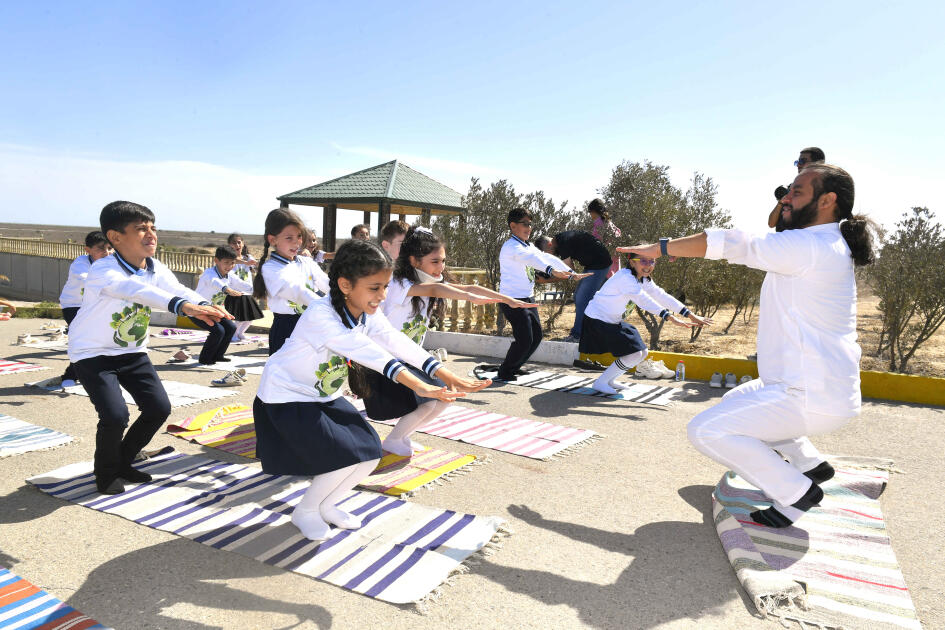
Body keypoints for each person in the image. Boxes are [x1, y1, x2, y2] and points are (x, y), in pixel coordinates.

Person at [621, 164, 876, 528]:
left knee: (706, 430)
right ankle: (810, 465)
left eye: (797, 191)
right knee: (734, 402)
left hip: (809, 394)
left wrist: (658, 249)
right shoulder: (825, 243)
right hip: (815, 386)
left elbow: (732, 242)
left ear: (828, 201)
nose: (786, 198)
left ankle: (796, 493)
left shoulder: (811, 246)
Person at [254, 239, 491, 541]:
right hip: (286, 398)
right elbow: (371, 353)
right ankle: (306, 511)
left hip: (321, 396)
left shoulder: (367, 311)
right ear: (345, 284)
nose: (382, 296)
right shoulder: (321, 315)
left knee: (368, 453)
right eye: (375, 287)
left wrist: (443, 373)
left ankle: (326, 506)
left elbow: (394, 340)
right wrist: (422, 386)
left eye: (386, 287)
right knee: (342, 456)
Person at [68, 201, 231, 494]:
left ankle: (123, 462)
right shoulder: (104, 270)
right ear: (115, 237)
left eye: (153, 228)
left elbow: (178, 289)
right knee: (115, 415)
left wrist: (204, 305)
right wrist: (183, 307)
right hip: (92, 353)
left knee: (158, 408)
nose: (151, 235)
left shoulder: (155, 267)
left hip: (131, 351)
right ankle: (105, 475)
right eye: (141, 229)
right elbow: (137, 291)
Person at [359, 226, 534, 455]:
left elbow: (469, 286)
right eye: (434, 261)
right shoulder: (398, 284)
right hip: (384, 361)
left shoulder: (426, 282)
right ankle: (393, 440)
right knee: (430, 400)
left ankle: (402, 436)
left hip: (411, 358)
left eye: (443, 261)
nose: (441, 267)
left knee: (445, 398)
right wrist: (470, 298)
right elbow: (435, 288)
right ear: (414, 260)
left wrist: (508, 300)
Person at [579, 253, 709, 393]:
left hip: (612, 321)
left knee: (642, 353)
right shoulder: (625, 278)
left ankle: (610, 380)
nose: (648, 265)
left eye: (652, 261)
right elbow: (643, 299)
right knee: (634, 354)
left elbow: (661, 296)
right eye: (643, 261)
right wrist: (670, 317)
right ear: (632, 262)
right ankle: (601, 382)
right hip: (598, 321)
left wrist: (690, 314)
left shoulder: (643, 280)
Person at [496, 208, 589, 382]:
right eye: (525, 224)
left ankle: (515, 366)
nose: (529, 228)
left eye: (530, 224)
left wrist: (570, 272)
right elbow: (535, 261)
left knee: (536, 337)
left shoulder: (528, 245)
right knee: (525, 339)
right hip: (512, 299)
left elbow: (546, 258)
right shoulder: (511, 247)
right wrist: (550, 270)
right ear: (513, 226)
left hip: (527, 297)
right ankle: (505, 372)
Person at [253, 209, 330, 354]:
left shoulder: (307, 262)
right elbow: (297, 291)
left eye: (299, 236)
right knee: (282, 373)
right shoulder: (270, 269)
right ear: (272, 240)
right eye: (289, 238)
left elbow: (327, 284)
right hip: (286, 327)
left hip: (310, 325)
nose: (296, 243)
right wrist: (329, 307)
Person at [536, 230, 613, 342]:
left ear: (549, 245)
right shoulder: (562, 239)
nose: (549, 256)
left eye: (547, 253)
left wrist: (547, 281)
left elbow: (570, 274)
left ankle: (577, 335)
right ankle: (587, 332)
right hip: (593, 265)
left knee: (582, 299)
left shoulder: (562, 243)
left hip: (599, 265)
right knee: (578, 296)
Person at [58, 231, 112, 387]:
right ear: (88, 250)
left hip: (94, 306)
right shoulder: (80, 263)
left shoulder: (111, 262)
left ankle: (90, 372)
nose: (106, 252)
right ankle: (69, 375)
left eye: (109, 248)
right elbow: (87, 279)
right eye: (100, 249)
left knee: (98, 341)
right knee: (82, 340)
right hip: (73, 306)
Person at [192, 246, 256, 362]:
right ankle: (205, 359)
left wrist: (259, 290)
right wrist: (228, 290)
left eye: (232, 263)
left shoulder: (230, 275)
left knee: (231, 328)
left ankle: (218, 356)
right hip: (197, 310)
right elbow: (215, 282)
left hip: (215, 311)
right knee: (218, 331)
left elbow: (242, 284)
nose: (230, 266)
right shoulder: (209, 273)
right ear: (216, 261)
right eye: (226, 262)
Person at [769, 147, 826, 229]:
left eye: (802, 161)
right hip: (783, 240)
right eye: (798, 162)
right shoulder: (790, 189)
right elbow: (771, 224)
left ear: (817, 164)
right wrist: (780, 203)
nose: (798, 165)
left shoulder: (825, 190)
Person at [588, 198, 622, 275]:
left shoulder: (598, 223)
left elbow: (595, 242)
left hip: (604, 263)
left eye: (590, 212)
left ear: (593, 211)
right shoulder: (609, 223)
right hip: (615, 258)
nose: (590, 215)